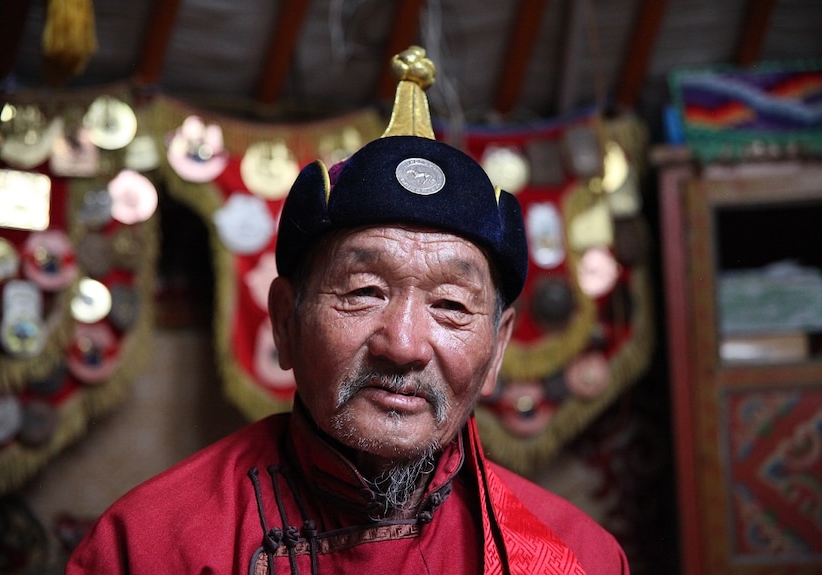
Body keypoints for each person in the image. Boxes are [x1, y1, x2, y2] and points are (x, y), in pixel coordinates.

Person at [66, 47, 629, 575]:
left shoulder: (575, 556)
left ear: (498, 346)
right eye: (363, 292)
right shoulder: (151, 546)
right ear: (286, 321)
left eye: (452, 305)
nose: (403, 345)